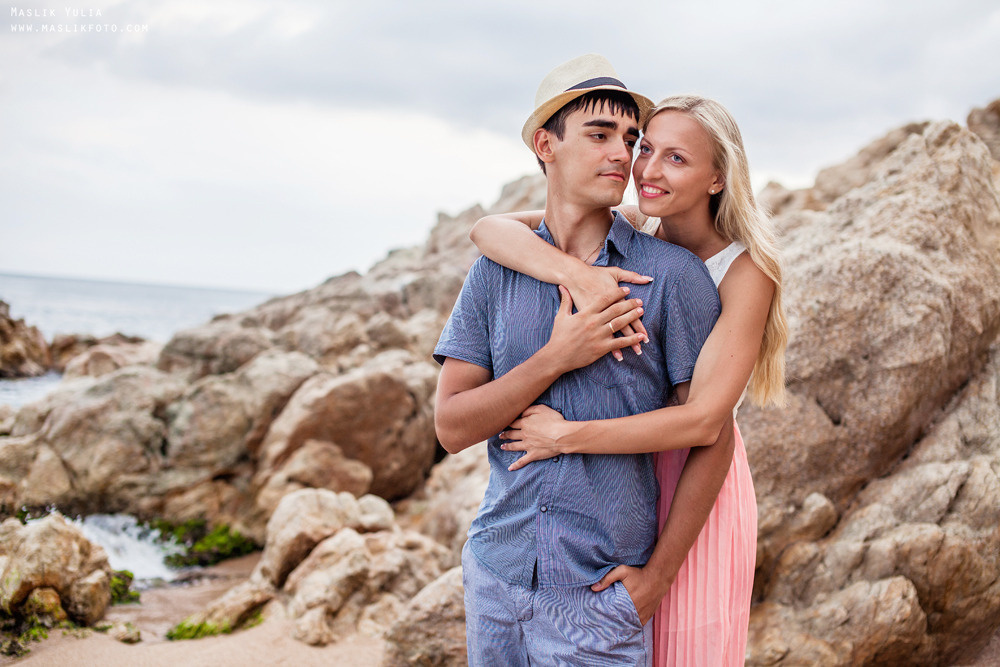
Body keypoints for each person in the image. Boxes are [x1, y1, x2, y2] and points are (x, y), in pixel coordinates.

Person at [469, 94, 788, 666]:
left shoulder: (744, 272)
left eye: (676, 159)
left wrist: (565, 436)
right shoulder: (637, 228)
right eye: (646, 150)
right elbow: (490, 230)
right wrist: (576, 276)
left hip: (694, 479)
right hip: (626, 479)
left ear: (718, 177)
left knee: (683, 644)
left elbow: (705, 423)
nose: (645, 168)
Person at [433, 55, 727, 665]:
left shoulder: (672, 278)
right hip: (497, 576)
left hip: (601, 597)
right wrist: (555, 357)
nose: (622, 153)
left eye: (629, 138)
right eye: (599, 135)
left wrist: (657, 580)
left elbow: (711, 435)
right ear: (547, 144)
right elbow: (452, 427)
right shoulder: (496, 273)